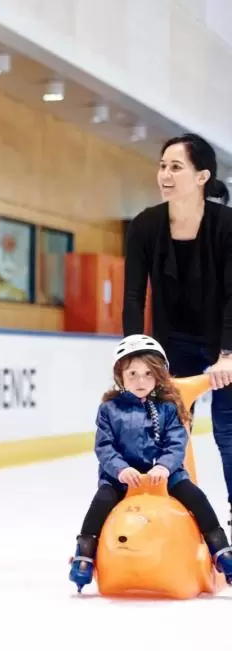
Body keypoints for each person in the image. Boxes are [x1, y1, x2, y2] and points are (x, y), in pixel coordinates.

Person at [122, 132, 232, 526]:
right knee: (163, 431)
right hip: (172, 345)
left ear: (202, 177)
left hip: (224, 341)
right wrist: (134, 354)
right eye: (162, 165)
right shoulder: (145, 226)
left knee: (228, 430)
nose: (165, 174)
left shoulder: (226, 225)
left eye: (176, 166)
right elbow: (134, 294)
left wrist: (227, 355)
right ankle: (166, 513)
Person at [68, 334, 232, 591]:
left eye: (147, 374)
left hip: (166, 474)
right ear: (120, 375)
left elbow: (177, 443)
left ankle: (220, 550)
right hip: (121, 477)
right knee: (102, 500)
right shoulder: (110, 409)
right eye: (132, 374)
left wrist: (165, 466)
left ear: (158, 375)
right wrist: (121, 470)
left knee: (195, 496)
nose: (140, 381)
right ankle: (85, 553)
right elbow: (104, 447)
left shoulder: (168, 406)